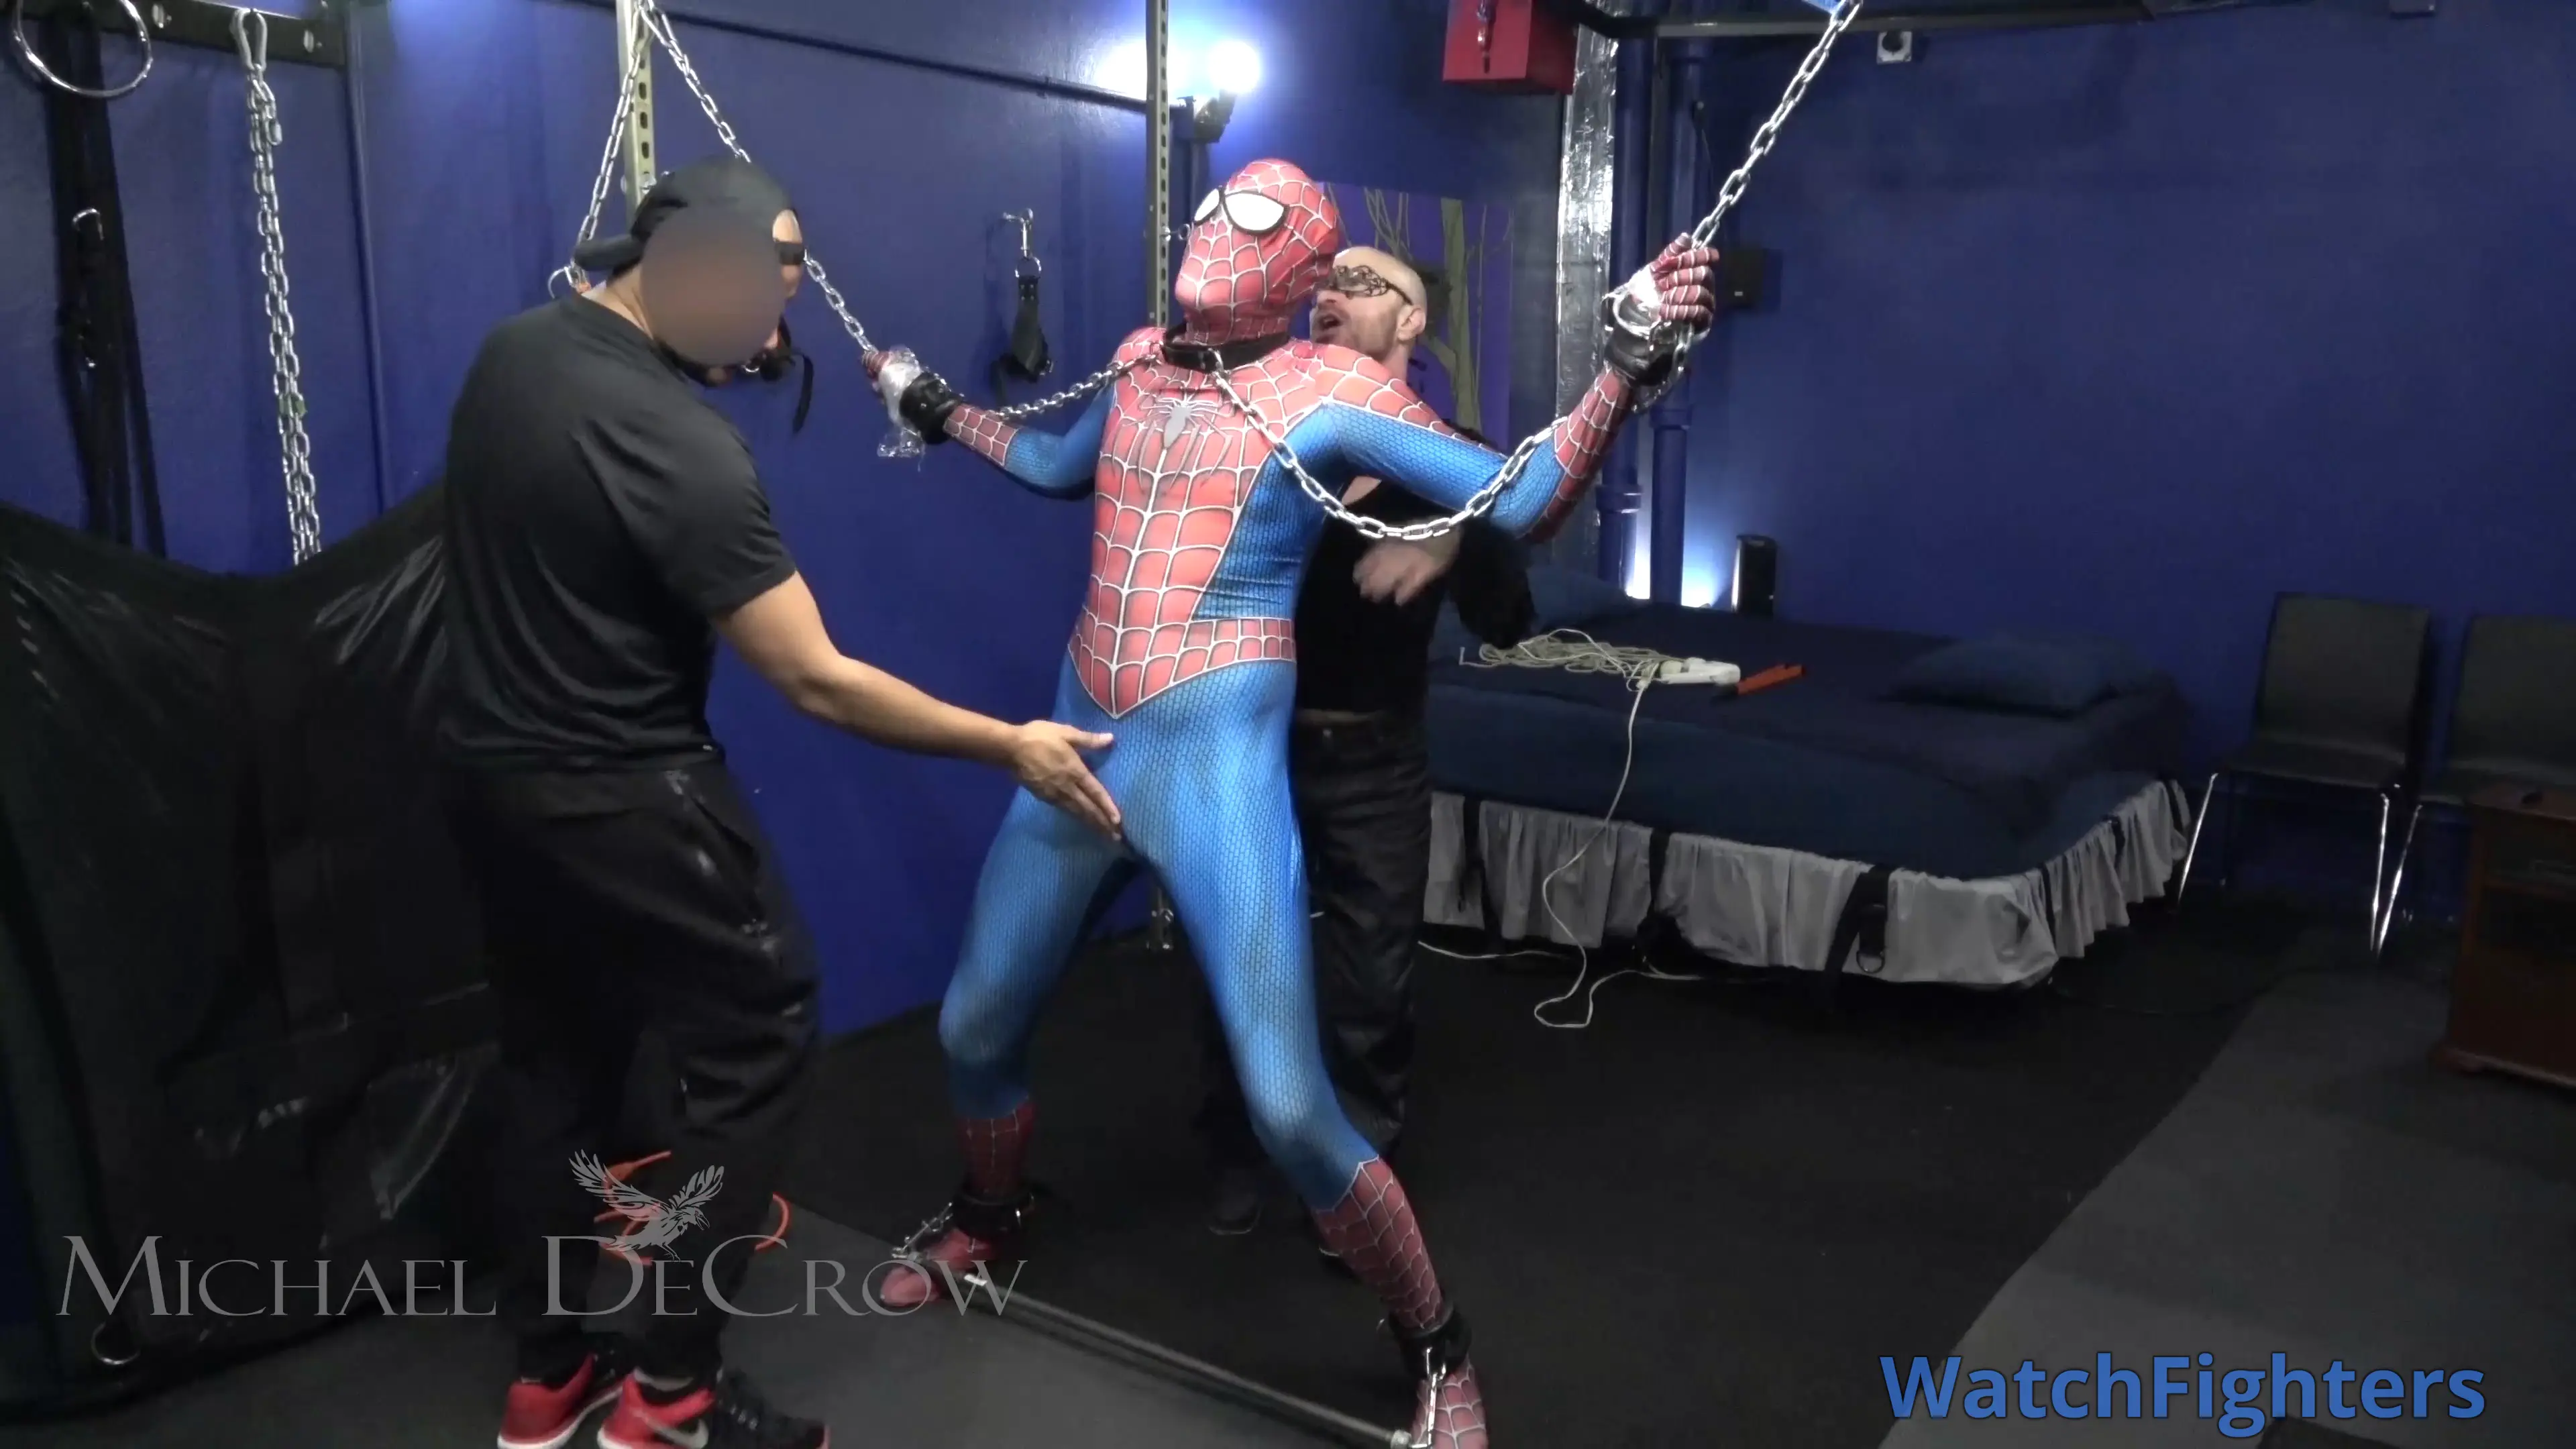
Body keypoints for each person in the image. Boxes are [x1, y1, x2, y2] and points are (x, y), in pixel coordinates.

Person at [868, 158, 1717, 1448]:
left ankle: (1438, 1345)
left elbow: (1529, 495)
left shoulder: (1335, 394)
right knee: (975, 1023)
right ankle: (990, 1214)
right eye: (1217, 205)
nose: (1221, 228)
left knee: (1289, 1102)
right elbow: (1049, 463)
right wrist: (937, 408)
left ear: (1306, 266)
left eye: (1258, 219)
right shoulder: (1141, 361)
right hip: (1080, 744)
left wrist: (1624, 363)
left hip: (1217, 764)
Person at [438, 156, 1118, 1449]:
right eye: (764, 286)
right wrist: (1011, 746)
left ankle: (548, 1377)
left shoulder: (515, 355)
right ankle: (671, 1394)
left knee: (553, 1059)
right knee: (761, 1037)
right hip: (625, 791)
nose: (770, 331)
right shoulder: (678, 444)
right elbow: (816, 679)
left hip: (494, 789)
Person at [1195, 246, 1535, 1238]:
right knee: (1236, 959)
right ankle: (1237, 1152)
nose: (1333, 296)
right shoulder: (1269, 439)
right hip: (1251, 749)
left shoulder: (1453, 459)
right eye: (1326, 283)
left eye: (1364, 284)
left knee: (1371, 981)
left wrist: (1453, 533)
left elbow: (1511, 620)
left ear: (1413, 322)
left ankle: (1353, 1187)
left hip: (1375, 759)